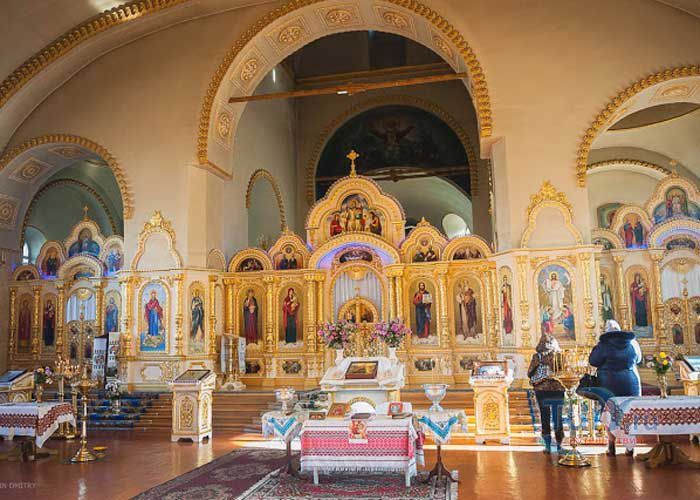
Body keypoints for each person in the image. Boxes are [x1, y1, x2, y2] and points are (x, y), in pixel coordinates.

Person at [589, 319, 642, 456]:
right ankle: (629, 447)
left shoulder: (604, 344)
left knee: (609, 413)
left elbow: (593, 361)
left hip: (608, 383)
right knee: (629, 414)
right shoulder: (632, 343)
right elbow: (638, 359)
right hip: (630, 382)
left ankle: (611, 444)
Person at [528, 333, 565, 454]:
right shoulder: (559, 355)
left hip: (542, 389)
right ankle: (559, 445)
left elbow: (530, 372)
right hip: (557, 389)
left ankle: (548, 446)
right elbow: (564, 370)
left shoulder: (537, 356)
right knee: (557, 417)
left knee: (545, 417)